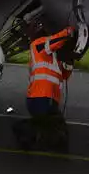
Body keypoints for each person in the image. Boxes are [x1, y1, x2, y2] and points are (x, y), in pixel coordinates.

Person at [13, 18, 77, 151]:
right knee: (50, 124)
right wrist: (69, 31)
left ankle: (29, 137)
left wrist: (70, 62)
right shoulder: (38, 45)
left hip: (49, 98)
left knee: (51, 125)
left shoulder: (51, 56)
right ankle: (22, 130)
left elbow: (64, 76)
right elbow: (55, 40)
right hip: (40, 97)